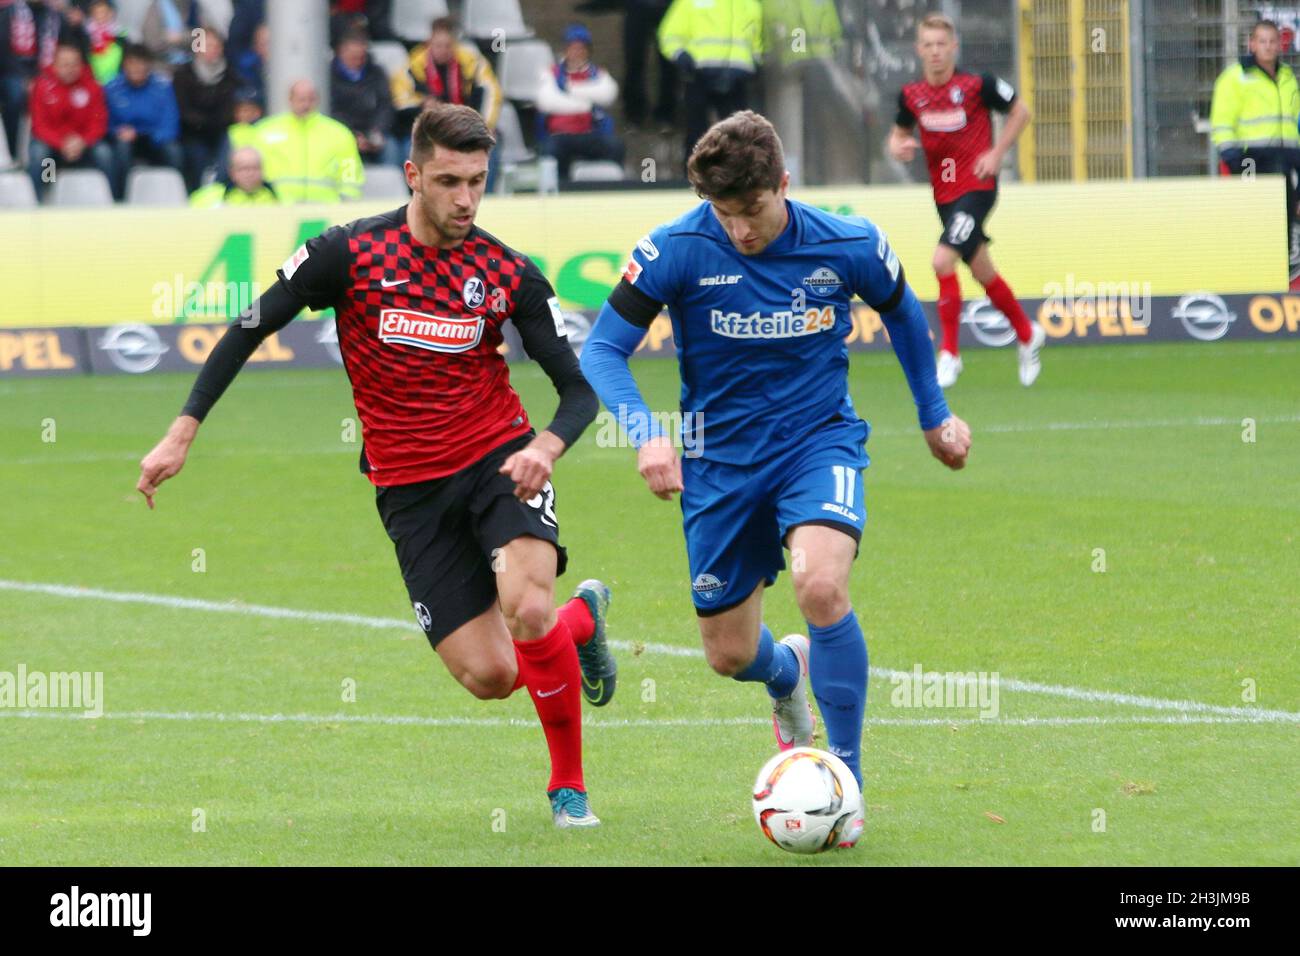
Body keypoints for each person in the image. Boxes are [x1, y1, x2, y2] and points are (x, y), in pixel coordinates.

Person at [137, 102, 617, 829]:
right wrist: (182, 432)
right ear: (412, 174)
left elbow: (578, 389)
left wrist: (545, 446)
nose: (465, 199)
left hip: (498, 460)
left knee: (525, 606)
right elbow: (249, 325)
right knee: (492, 677)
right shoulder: (349, 254)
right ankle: (582, 621)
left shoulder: (507, 272)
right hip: (408, 489)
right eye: (450, 181)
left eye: (478, 182)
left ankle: (568, 790)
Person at [579, 110, 972, 849]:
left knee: (820, 585)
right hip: (718, 465)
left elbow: (902, 312)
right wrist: (647, 434)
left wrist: (934, 415)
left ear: (782, 185)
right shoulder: (675, 248)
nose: (740, 231)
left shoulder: (847, 242)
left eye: (752, 212)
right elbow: (603, 349)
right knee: (729, 653)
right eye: (724, 214)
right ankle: (786, 672)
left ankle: (845, 783)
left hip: (817, 443)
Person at [888, 12, 1044, 388]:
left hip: (977, 188)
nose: (936, 52)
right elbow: (897, 134)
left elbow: (1021, 111)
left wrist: (997, 154)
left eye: (942, 44)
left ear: (954, 46)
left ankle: (950, 354)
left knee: (942, 261)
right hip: (943, 194)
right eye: (929, 45)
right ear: (919, 50)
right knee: (981, 271)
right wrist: (898, 147)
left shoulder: (979, 85)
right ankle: (1027, 333)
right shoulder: (911, 96)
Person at [1211, 18, 1300, 279]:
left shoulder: (1287, 77)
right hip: (1252, 158)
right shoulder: (1236, 77)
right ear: (1252, 44)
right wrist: (1233, 158)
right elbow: (1222, 121)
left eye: (1273, 41)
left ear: (1280, 45)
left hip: (1286, 158)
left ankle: (1280, 275)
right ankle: (1250, 277)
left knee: (1284, 218)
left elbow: (1293, 121)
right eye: (1262, 41)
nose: (1268, 46)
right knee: (1255, 222)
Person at [657, 0, 762, 170]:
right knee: (696, 133)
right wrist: (681, 56)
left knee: (739, 136)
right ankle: (692, 179)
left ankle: (738, 179)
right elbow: (668, 34)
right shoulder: (689, 2)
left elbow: (757, 41)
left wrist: (755, 63)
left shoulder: (751, 4)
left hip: (737, 76)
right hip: (699, 73)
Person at [391, 16, 500, 176]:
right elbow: (399, 100)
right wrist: (422, 104)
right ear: (429, 43)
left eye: (448, 45)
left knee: (489, 146)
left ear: (455, 43)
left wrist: (485, 125)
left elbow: (492, 93)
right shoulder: (412, 66)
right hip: (428, 130)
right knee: (411, 148)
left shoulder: (472, 62)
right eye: (438, 45)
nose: (443, 50)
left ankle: (483, 195)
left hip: (466, 128)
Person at [252, 78, 363, 202]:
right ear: (290, 99)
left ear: (317, 100)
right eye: (301, 99)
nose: (306, 104)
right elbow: (251, 167)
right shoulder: (264, 131)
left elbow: (350, 171)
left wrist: (347, 203)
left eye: (310, 99)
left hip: (326, 209)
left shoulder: (339, 133)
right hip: (278, 208)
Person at [27, 38, 113, 198]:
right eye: (65, 64)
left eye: (74, 64)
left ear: (81, 65)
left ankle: (111, 197)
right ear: (55, 65)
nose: (70, 69)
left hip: (84, 145)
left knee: (104, 153)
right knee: (40, 153)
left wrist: (82, 141)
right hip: (53, 145)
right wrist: (62, 143)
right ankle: (42, 198)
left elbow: (98, 122)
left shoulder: (93, 86)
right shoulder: (42, 86)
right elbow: (39, 125)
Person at [536, 23, 623, 182]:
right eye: (572, 48)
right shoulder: (551, 73)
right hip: (559, 135)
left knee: (615, 146)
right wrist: (586, 104)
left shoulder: (598, 73)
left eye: (581, 48)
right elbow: (547, 102)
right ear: (566, 50)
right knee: (551, 151)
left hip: (589, 134)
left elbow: (608, 94)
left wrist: (569, 90)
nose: (577, 53)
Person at [104, 42, 181, 199]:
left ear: (149, 66)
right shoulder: (111, 88)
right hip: (124, 141)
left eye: (141, 64)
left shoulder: (162, 87)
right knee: (119, 149)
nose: (137, 69)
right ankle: (119, 199)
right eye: (132, 64)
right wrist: (117, 132)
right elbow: (105, 123)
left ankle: (179, 195)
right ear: (125, 65)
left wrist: (147, 135)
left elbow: (170, 123)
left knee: (173, 150)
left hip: (155, 140)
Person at [172, 26, 236, 190]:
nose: (212, 50)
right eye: (208, 45)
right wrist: (205, 122)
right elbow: (184, 110)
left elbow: (230, 107)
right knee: (195, 157)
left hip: (220, 132)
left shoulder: (229, 73)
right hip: (193, 134)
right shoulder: (183, 74)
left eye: (216, 46)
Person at [329, 28, 398, 167]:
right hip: (344, 133)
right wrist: (352, 135)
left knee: (392, 150)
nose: (358, 61)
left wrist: (377, 131)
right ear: (341, 51)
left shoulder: (377, 72)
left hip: (373, 131)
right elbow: (331, 111)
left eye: (361, 57)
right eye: (353, 57)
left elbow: (385, 105)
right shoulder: (328, 76)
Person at [622, 0, 676, 130]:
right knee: (633, 60)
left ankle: (666, 114)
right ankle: (634, 113)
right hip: (637, 7)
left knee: (669, 62)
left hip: (667, 8)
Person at [188, 143, 276, 205]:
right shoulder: (209, 197)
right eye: (244, 169)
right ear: (232, 172)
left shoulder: (277, 197)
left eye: (255, 168)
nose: (250, 174)